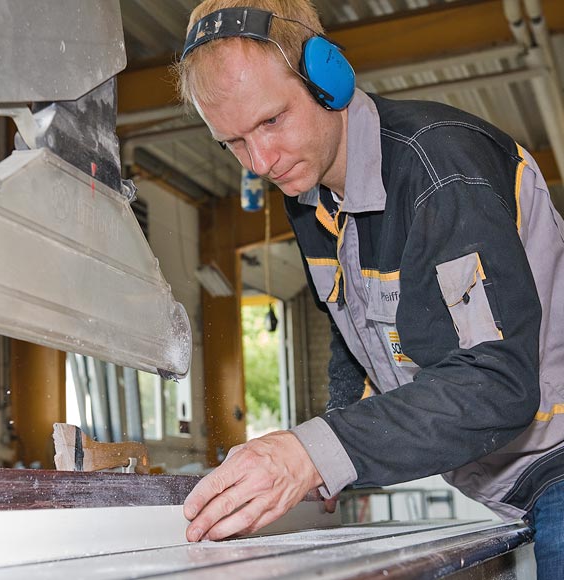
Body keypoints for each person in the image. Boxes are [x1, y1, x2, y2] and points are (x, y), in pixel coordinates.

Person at [175, 1, 564, 576]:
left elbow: (497, 383)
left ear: (327, 76)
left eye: (270, 121)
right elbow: (352, 335)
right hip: (492, 482)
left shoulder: (441, 171)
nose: (259, 161)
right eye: (231, 142)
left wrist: (312, 452)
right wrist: (328, 459)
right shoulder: (311, 195)